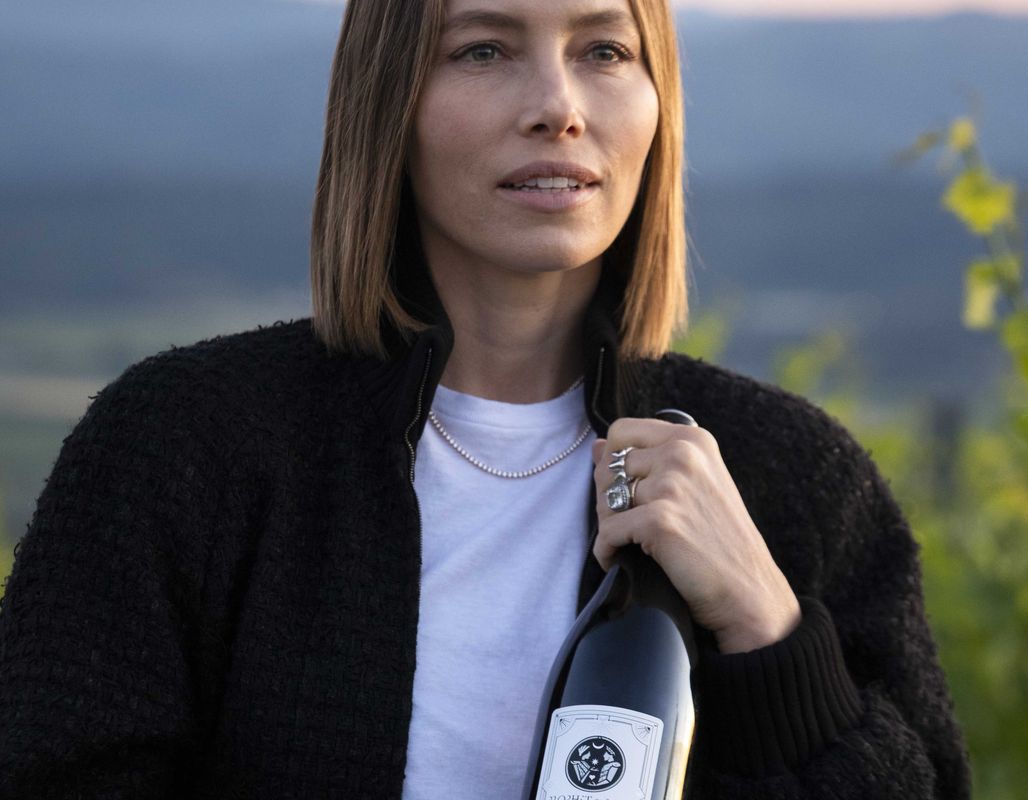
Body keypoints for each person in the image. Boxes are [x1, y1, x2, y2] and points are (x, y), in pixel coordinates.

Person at [0, 0, 971, 797]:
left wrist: (766, 624)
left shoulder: (794, 473)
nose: (556, 105)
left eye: (603, 48)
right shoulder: (178, 444)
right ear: (390, 103)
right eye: (483, 49)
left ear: (656, 101)